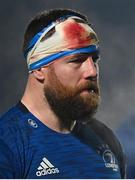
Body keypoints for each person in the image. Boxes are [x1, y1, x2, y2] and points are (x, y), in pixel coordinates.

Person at [0, 8, 126, 178]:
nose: (92, 71)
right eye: (76, 60)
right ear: (38, 68)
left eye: (94, 59)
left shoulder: (106, 139)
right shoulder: (7, 144)